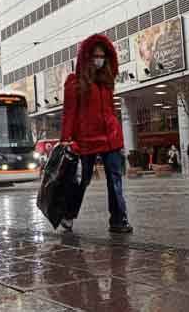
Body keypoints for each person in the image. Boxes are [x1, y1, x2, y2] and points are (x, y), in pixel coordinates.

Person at [60, 34, 132, 234]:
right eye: (96, 55)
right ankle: (68, 214)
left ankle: (119, 219)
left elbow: (109, 110)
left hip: (110, 138)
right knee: (84, 180)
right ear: (87, 57)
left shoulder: (107, 81)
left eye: (102, 55)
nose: (99, 59)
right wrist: (66, 140)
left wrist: (117, 131)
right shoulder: (74, 82)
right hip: (86, 139)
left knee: (115, 178)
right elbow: (69, 113)